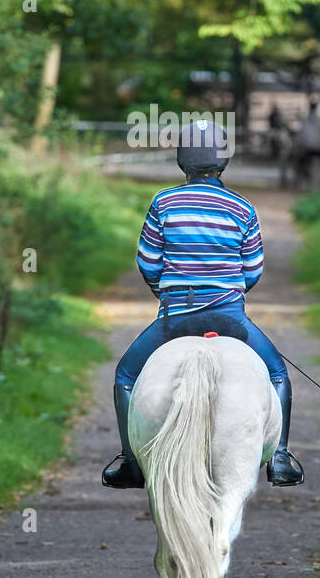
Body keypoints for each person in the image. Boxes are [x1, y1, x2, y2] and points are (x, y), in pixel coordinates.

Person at [102, 119, 305, 489]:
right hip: (230, 318)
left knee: (125, 376)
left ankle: (131, 463)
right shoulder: (243, 207)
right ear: (223, 161)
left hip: (174, 318)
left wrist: (162, 290)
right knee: (277, 373)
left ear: (182, 161)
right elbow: (253, 269)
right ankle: (280, 458)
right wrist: (228, 290)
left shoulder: (163, 202)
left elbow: (147, 262)